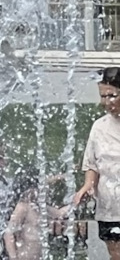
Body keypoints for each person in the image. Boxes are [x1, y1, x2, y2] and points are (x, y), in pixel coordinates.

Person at [73, 67, 120, 256]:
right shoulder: (99, 127)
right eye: (103, 96)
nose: (106, 102)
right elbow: (92, 164)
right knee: (116, 253)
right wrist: (88, 185)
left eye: (112, 96)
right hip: (110, 206)